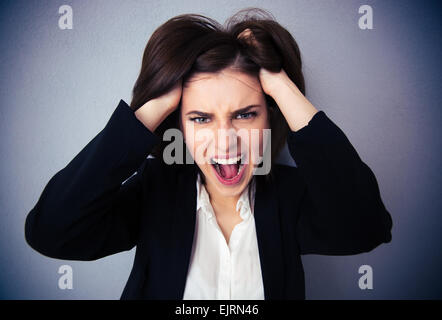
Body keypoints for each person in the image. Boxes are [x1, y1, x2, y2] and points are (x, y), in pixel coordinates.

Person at [24, 8, 393, 300]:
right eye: (201, 118)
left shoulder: (291, 196)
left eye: (245, 114)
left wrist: (281, 85)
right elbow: (51, 231)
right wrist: (155, 106)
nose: (225, 141)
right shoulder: (157, 191)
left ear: (270, 115)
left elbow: (366, 228)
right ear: (179, 125)